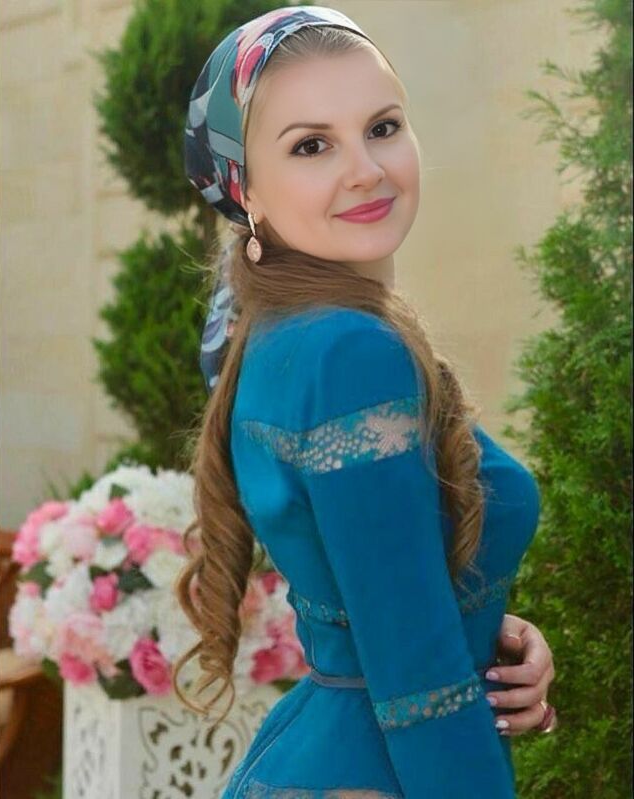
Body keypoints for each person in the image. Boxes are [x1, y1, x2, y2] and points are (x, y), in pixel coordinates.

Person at [175, 6, 557, 797]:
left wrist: (484, 628)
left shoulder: (279, 332)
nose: (366, 170)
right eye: (311, 145)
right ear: (247, 188)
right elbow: (417, 679)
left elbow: (370, 593)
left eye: (382, 128)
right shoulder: (349, 354)